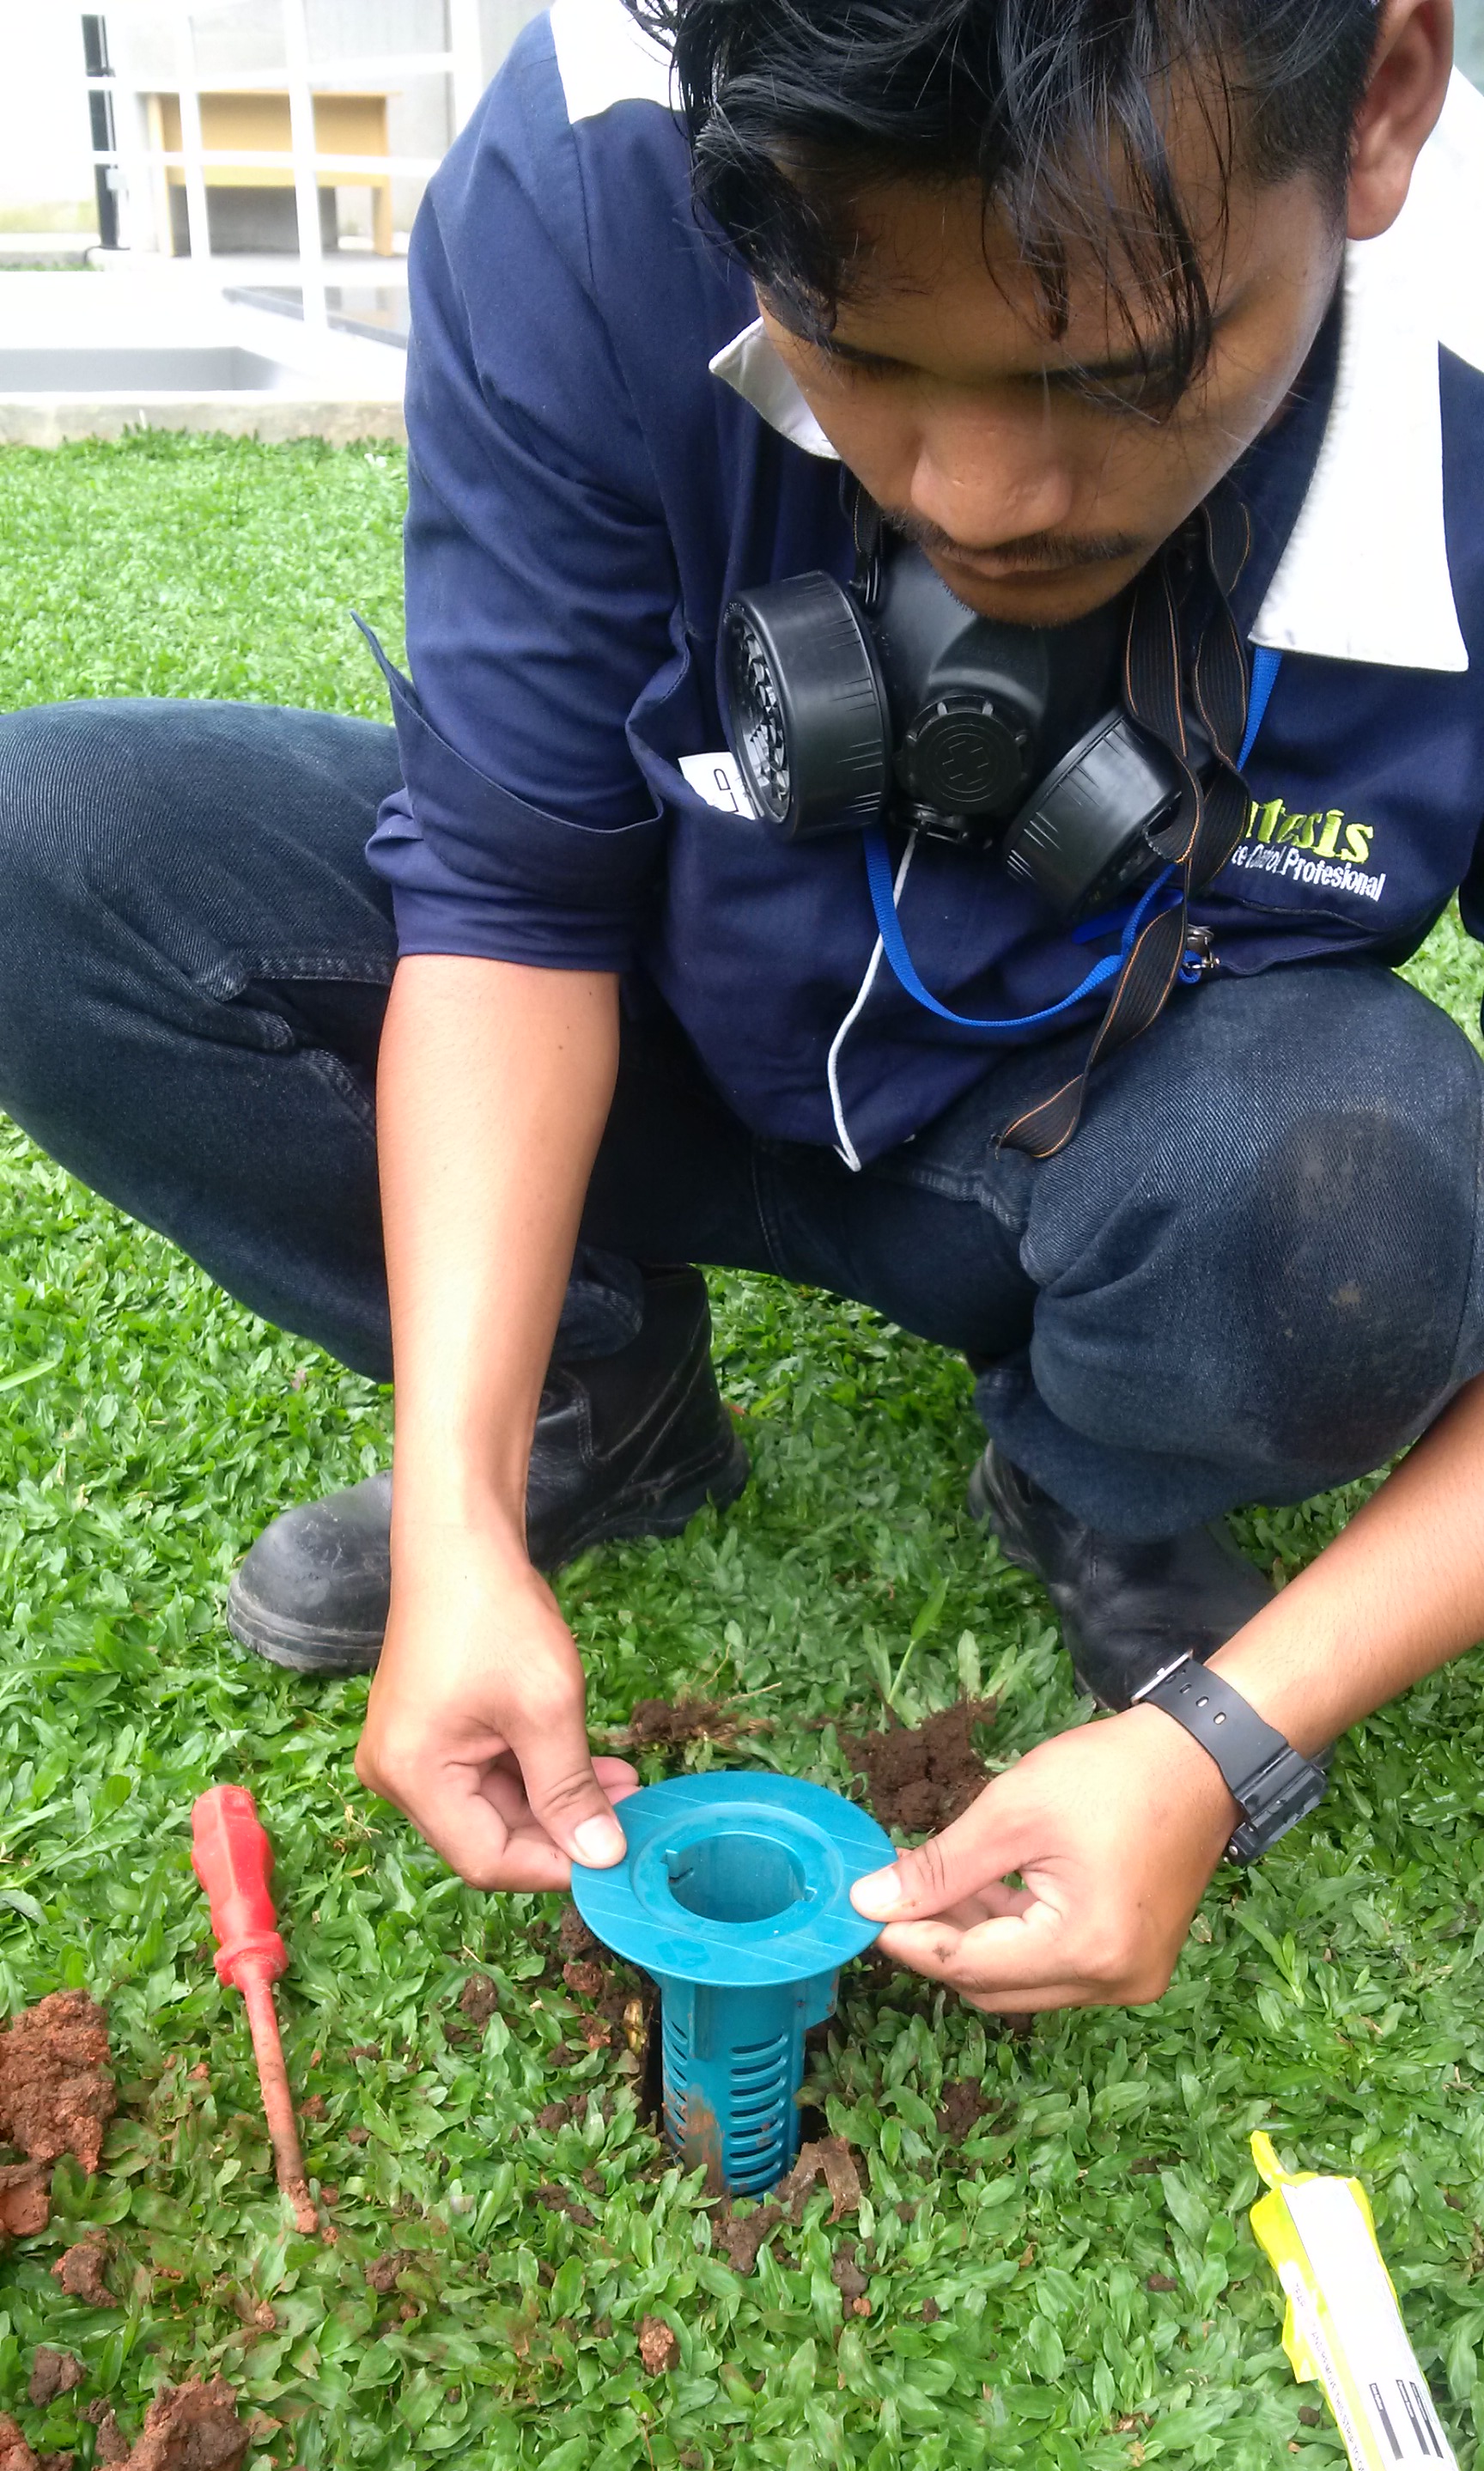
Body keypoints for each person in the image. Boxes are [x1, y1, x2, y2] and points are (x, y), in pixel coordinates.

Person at [0, 0, 1481, 2012]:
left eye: (1124, 368)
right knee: (51, 844)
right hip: (664, 1033)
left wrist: (1225, 1732)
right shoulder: (601, 164)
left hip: (1103, 1143)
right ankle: (597, 1404)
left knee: (1354, 1188)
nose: (986, 491)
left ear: (1384, 104)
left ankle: (1105, 1476)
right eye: (860, 352)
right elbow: (510, 909)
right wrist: (452, 1521)